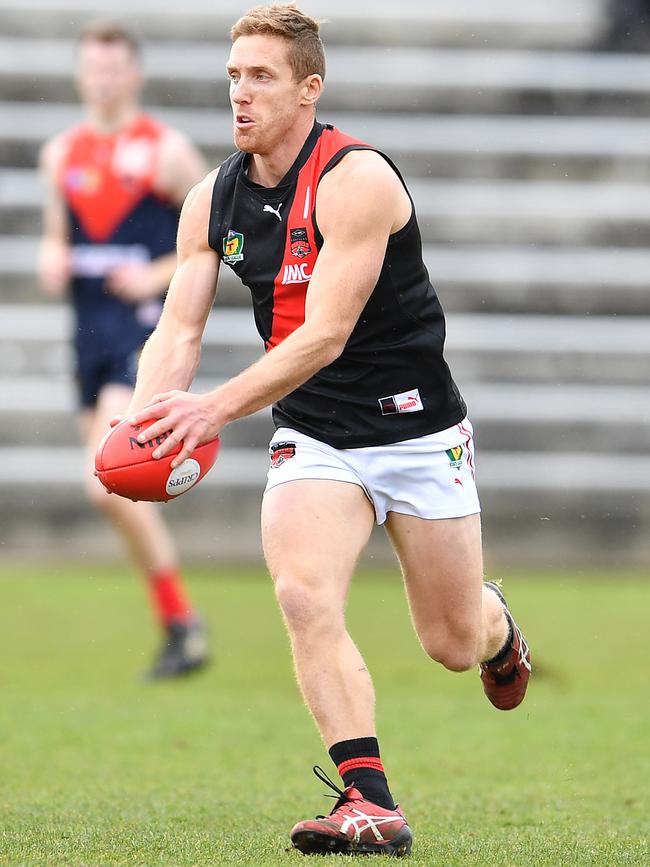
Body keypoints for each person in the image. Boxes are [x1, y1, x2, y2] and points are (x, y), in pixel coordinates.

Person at [124, 2, 531, 855]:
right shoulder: (211, 197)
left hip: (416, 430)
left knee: (452, 642)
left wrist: (210, 407)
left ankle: (499, 628)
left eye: (261, 77)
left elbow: (323, 334)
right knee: (303, 595)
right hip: (314, 434)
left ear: (309, 89)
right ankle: (367, 797)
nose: (240, 93)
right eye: (233, 75)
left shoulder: (358, 179)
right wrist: (147, 417)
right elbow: (179, 329)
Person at [38, 21, 211, 680]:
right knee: (109, 490)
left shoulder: (167, 153)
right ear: (82, 74)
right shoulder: (61, 154)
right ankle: (180, 623)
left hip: (141, 336)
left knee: (103, 483)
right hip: (86, 336)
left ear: (133, 75)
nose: (103, 80)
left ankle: (183, 622)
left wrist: (155, 273)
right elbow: (58, 237)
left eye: (114, 69)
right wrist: (52, 255)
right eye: (93, 68)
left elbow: (213, 243)